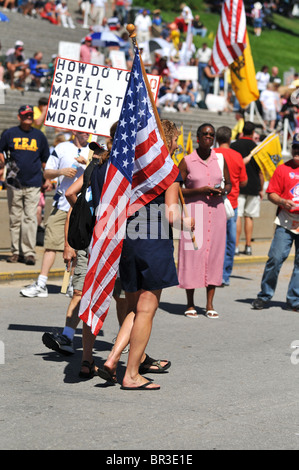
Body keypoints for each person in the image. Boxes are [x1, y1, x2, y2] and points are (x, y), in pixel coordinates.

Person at [81, 120, 194, 389]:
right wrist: (187, 224)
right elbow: (171, 214)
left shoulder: (120, 165)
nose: (178, 142)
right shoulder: (166, 167)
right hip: (152, 243)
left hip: (125, 242)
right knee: (146, 309)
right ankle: (131, 375)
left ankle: (111, 358)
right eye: (176, 137)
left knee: (134, 308)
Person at [42, 139, 127, 357]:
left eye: (98, 150)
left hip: (100, 241)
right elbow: (73, 200)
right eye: (94, 151)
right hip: (106, 240)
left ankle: (116, 337)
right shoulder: (103, 173)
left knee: (113, 294)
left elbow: (72, 197)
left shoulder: (98, 172)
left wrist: (86, 216)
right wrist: (71, 242)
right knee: (88, 291)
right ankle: (71, 336)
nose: (95, 154)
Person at [20, 132, 89, 298]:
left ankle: (73, 284)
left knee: (78, 246)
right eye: (82, 131)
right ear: (74, 132)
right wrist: (61, 172)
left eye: (88, 131)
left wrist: (87, 165)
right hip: (62, 205)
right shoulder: (62, 147)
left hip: (82, 207)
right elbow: (47, 173)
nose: (86, 133)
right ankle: (42, 283)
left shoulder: (95, 150)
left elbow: (100, 174)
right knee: (51, 244)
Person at [178, 123, 231, 319]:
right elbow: (176, 189)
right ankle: (190, 303)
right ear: (198, 137)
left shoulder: (220, 158)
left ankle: (209, 304)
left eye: (211, 134)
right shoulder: (187, 160)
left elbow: (230, 183)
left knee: (214, 256)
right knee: (192, 255)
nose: (208, 136)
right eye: (205, 134)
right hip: (194, 213)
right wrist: (200, 191)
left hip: (216, 213)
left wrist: (223, 191)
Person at [252, 133, 299, 311]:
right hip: (285, 221)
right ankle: (264, 295)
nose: (297, 151)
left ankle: (294, 300)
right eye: (295, 146)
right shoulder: (282, 169)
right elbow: (272, 193)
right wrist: (281, 201)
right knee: (275, 258)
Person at [0, 105, 50, 265]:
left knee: (30, 218)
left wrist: (48, 179)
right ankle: (15, 252)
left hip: (34, 182)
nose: (28, 117)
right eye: (25, 115)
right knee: (15, 218)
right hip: (14, 183)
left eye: (30, 115)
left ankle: (28, 252)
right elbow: (0, 151)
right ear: (19, 117)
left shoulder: (39, 136)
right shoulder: (9, 133)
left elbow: (44, 160)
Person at [215, 126, 248, 287]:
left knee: (213, 240)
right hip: (231, 203)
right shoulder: (237, 156)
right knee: (229, 241)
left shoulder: (211, 154)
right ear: (229, 139)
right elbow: (243, 181)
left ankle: (211, 272)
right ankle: (225, 275)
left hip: (213, 203)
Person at [230, 121, 264, 255]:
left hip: (238, 185)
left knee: (238, 216)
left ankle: (236, 246)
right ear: (253, 133)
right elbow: (261, 172)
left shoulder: (234, 146)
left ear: (242, 131)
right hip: (254, 186)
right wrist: (261, 189)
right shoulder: (257, 148)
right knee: (249, 217)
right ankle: (248, 246)